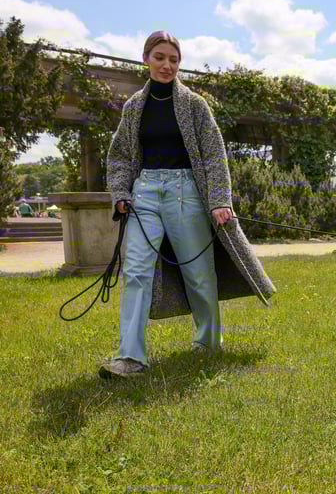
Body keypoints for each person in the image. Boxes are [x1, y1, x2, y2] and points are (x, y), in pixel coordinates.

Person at [101, 31, 276, 378]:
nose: (167, 65)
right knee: (135, 272)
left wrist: (219, 200)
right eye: (160, 57)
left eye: (174, 59)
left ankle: (208, 342)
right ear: (146, 59)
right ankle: (130, 358)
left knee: (199, 274)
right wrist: (120, 193)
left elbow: (213, 155)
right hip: (145, 194)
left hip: (186, 194)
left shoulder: (195, 105)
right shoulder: (134, 107)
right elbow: (120, 156)